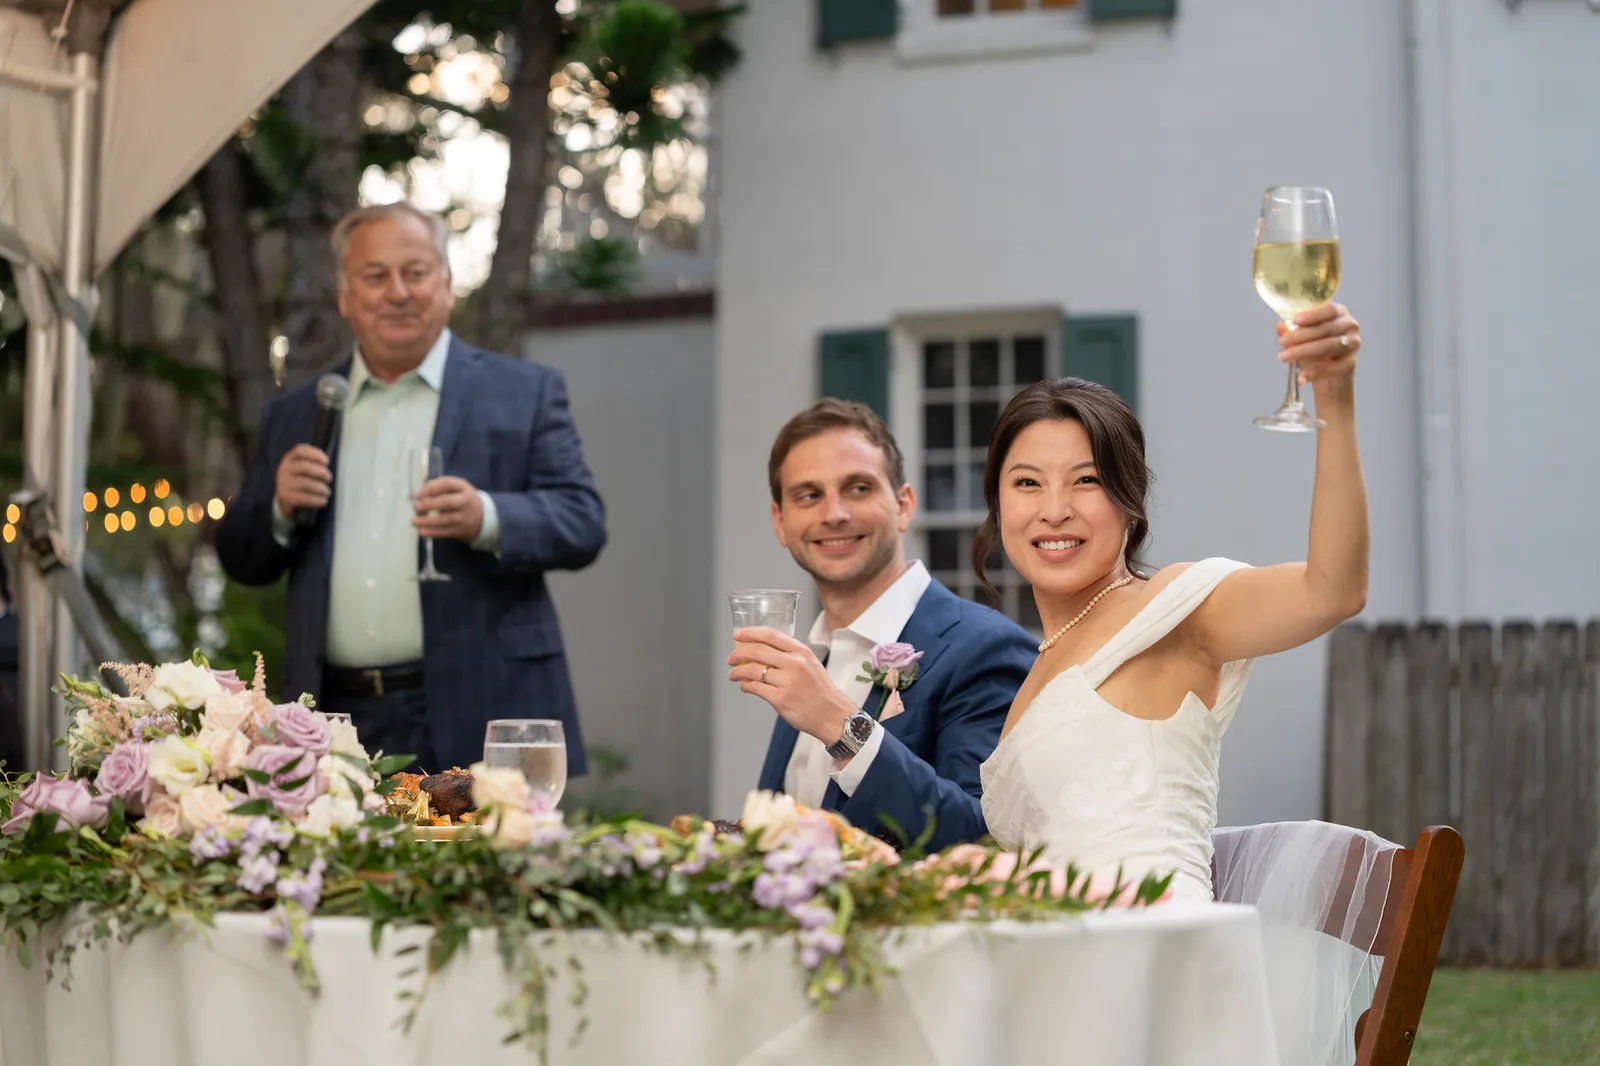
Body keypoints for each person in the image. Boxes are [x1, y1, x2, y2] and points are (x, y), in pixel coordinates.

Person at [977, 301, 1368, 903]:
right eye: (1028, 482)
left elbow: (1332, 590)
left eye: (1086, 480)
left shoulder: (1174, 612)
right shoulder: (1037, 668)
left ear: (1130, 498)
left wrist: (1334, 399)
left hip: (1158, 955)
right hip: (1057, 955)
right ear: (998, 504)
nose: (1054, 509)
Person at [215, 203, 607, 775]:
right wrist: (276, 508)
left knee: (488, 869)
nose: (398, 292)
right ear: (345, 296)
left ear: (447, 285)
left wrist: (488, 517)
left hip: (484, 709)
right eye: (375, 276)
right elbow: (240, 556)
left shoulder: (523, 392)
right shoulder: (298, 413)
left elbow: (583, 521)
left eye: (416, 272)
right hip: (334, 720)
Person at [728, 400, 1036, 851]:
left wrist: (840, 725)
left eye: (857, 488)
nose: (834, 513)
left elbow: (985, 836)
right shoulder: (810, 654)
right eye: (809, 495)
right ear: (781, 521)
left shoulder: (984, 647)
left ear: (903, 504)